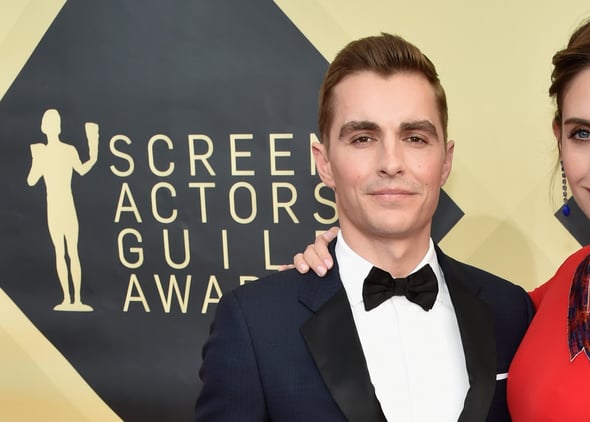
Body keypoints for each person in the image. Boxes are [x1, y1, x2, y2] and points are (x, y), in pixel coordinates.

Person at [294, 9, 590, 421]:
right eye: (583, 133)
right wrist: (345, 261)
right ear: (560, 139)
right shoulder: (572, 275)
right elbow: (456, 309)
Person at [196, 33, 533, 422]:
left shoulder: (509, 310)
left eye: (415, 137)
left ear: (445, 161)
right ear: (324, 163)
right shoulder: (255, 324)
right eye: (362, 138)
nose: (391, 162)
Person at [27, 109, 99, 312]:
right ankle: (68, 299)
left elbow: (82, 169)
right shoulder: (46, 152)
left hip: (66, 206)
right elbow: (31, 180)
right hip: (56, 207)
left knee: (70, 252)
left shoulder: (68, 151)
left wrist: (94, 150)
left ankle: (75, 299)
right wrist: (36, 158)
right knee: (63, 252)